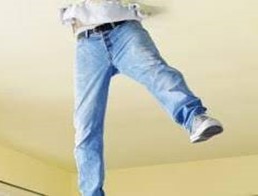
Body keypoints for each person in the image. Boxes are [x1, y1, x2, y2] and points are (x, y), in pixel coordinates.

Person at [59, 0, 224, 195]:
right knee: (85, 121)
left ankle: (195, 119)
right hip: (87, 42)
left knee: (156, 72)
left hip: (124, 31)